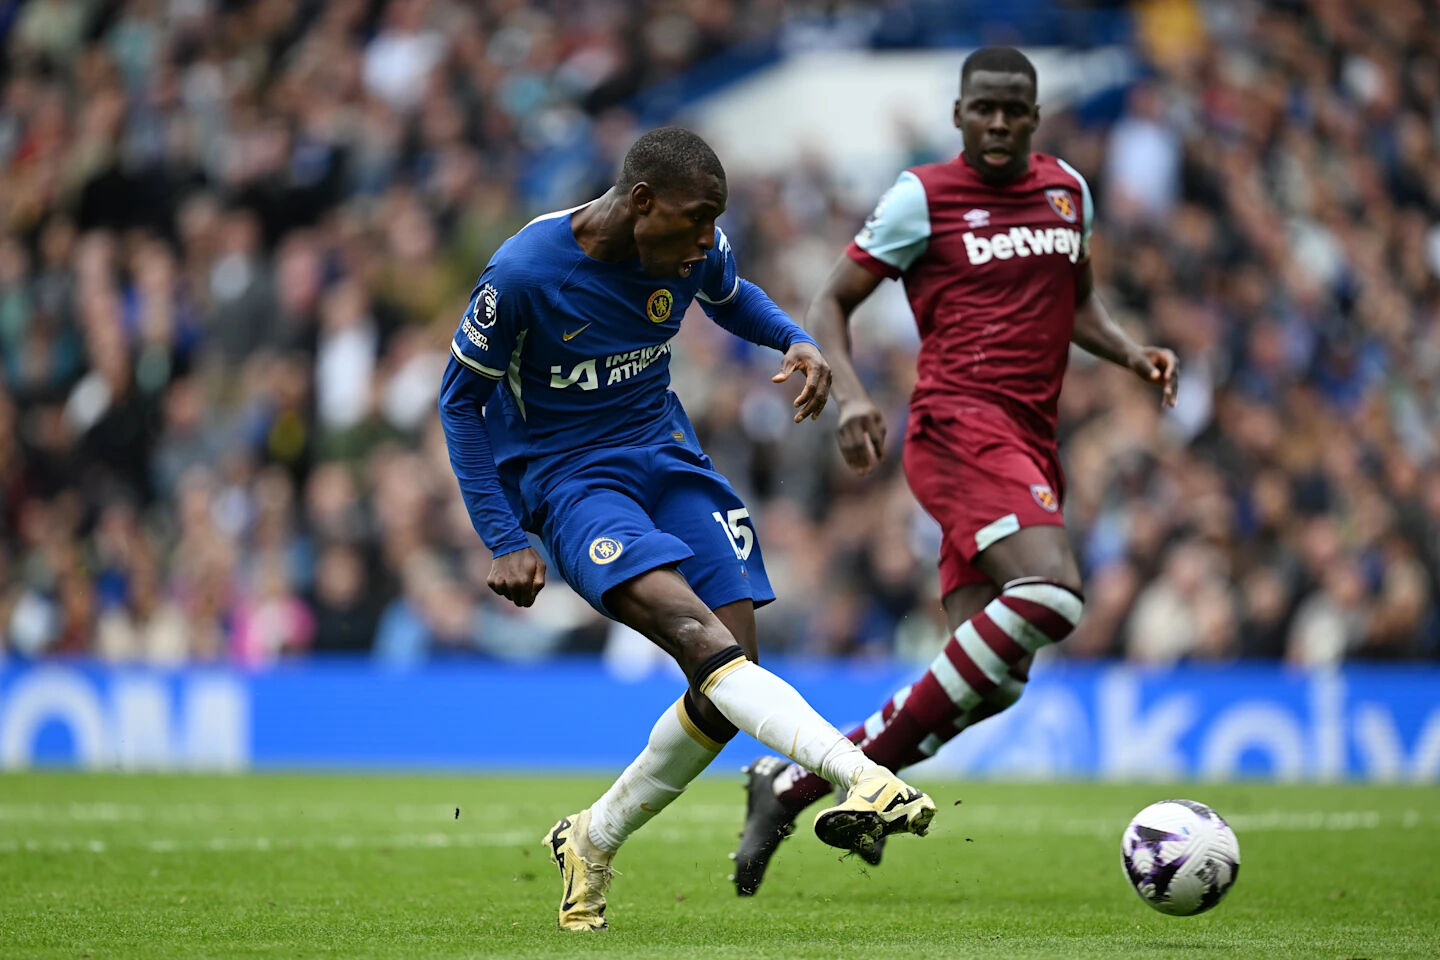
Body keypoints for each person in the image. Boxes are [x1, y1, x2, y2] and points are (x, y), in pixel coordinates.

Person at [437, 127, 936, 931]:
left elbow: (731, 292)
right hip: (572, 482)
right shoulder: (525, 273)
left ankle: (591, 838)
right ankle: (861, 774)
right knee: (700, 640)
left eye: (716, 222)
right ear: (641, 203)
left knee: (728, 677)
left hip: (668, 458)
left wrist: (797, 340)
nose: (708, 239)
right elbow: (459, 401)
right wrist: (501, 533)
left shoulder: (688, 243)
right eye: (698, 220)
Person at [730, 48, 1179, 895]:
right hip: (956, 425)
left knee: (997, 683)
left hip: (1031, 440)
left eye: (1016, 109)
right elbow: (832, 300)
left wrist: (1129, 352)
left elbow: (1076, 301)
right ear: (960, 114)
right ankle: (870, 783)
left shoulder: (1067, 192)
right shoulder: (922, 197)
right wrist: (854, 398)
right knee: (1051, 595)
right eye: (985, 109)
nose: (1000, 123)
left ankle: (788, 787)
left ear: (1036, 115)